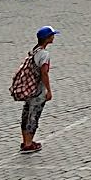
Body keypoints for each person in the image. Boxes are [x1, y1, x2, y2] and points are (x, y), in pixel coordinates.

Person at [19, 26, 57, 154]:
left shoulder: (34, 50)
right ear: (47, 38)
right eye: (52, 35)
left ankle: (25, 141)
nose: (53, 37)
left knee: (26, 113)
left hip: (29, 88)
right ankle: (29, 144)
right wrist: (48, 90)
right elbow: (44, 73)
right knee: (34, 115)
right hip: (38, 89)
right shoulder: (44, 55)